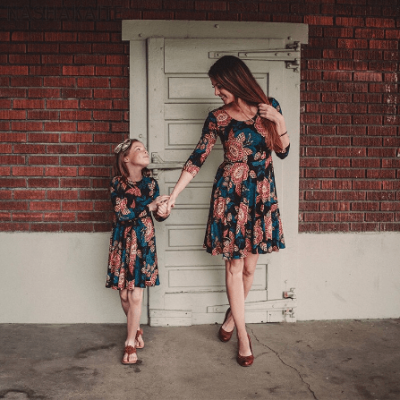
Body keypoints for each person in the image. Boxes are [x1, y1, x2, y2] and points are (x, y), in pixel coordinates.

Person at [165, 56, 290, 367]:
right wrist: (174, 195)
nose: (216, 90)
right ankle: (244, 338)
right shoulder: (218, 118)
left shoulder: (268, 106)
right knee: (234, 269)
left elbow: (283, 151)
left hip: (261, 198)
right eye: (214, 86)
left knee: (249, 270)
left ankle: (232, 319)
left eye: (219, 84)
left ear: (234, 80)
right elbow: (197, 158)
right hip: (230, 199)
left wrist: (280, 120)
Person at [106, 138, 170, 365]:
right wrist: (149, 206)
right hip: (122, 242)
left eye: (145, 149)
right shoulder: (117, 183)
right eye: (138, 149)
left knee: (135, 295)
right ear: (125, 158)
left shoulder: (151, 184)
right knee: (124, 295)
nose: (145, 151)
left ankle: (130, 342)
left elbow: (159, 217)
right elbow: (122, 213)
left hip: (143, 242)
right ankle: (137, 329)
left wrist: (162, 209)